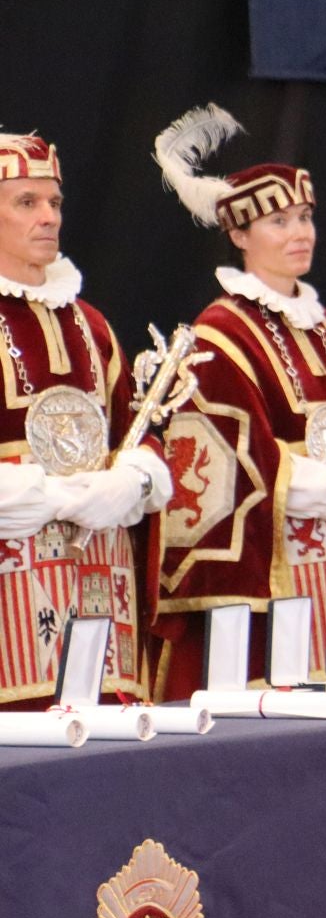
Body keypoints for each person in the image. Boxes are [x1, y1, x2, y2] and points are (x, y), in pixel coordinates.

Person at [148, 105, 326, 697]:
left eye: (304, 217)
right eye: (278, 222)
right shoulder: (221, 333)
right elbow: (231, 461)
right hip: (279, 578)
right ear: (239, 235)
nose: (300, 233)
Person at [0, 133, 170, 708]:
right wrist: (46, 494)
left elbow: (138, 440)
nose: (48, 217)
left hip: (101, 586)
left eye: (55, 202)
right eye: (27, 202)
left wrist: (132, 481)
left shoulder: (91, 326)